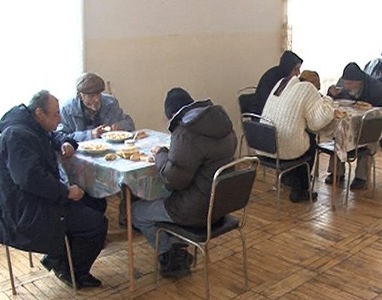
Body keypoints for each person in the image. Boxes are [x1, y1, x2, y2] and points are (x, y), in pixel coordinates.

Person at [0, 90, 108, 289]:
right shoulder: (17, 135)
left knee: (97, 202)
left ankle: (57, 257)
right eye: (55, 115)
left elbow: (54, 134)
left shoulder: (31, 125)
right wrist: (65, 192)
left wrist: (64, 142)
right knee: (96, 223)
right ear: (39, 114)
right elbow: (30, 178)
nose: (59, 118)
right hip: (23, 211)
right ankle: (72, 272)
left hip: (35, 198)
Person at [132, 87, 237, 279]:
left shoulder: (187, 132)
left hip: (197, 210)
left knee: (136, 212)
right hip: (222, 203)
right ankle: (176, 247)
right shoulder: (224, 124)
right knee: (163, 199)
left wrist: (161, 154)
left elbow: (173, 181)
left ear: (173, 115)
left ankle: (170, 254)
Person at [57, 72, 135, 225]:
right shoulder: (67, 109)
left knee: (130, 174)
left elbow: (129, 123)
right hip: (82, 157)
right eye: (91, 96)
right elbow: (61, 136)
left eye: (99, 94)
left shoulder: (110, 103)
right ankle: (91, 222)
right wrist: (89, 134)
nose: (97, 99)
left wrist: (119, 127)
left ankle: (129, 216)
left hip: (109, 154)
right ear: (80, 95)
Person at [261, 71, 334, 202]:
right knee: (310, 142)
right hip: (284, 149)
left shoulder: (283, 82)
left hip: (264, 143)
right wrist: (328, 98)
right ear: (314, 84)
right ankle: (301, 189)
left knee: (299, 137)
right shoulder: (308, 89)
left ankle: (289, 177)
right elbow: (319, 121)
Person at [326, 62, 382, 189]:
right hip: (350, 120)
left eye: (349, 84)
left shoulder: (376, 89)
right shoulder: (343, 83)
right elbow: (335, 101)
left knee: (369, 136)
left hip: (374, 122)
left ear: (359, 82)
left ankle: (361, 177)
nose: (345, 86)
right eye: (345, 83)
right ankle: (336, 173)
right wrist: (332, 94)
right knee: (339, 133)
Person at [254, 50, 303, 115]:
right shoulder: (273, 78)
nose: (298, 73)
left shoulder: (285, 77)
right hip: (262, 115)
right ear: (288, 67)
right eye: (296, 69)